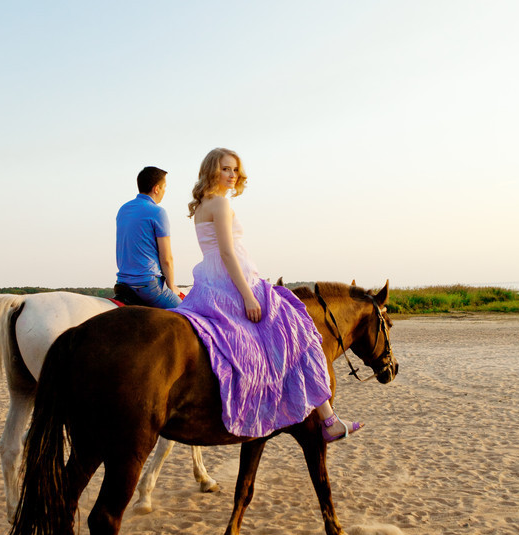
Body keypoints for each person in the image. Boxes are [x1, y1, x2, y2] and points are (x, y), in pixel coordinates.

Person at [177, 147, 363, 441]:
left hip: (211, 279)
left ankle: (328, 418)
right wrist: (248, 296)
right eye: (226, 168)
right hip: (232, 279)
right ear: (212, 169)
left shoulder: (202, 205)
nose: (232, 175)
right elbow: (227, 252)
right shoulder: (220, 205)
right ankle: (328, 419)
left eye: (235, 170)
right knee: (298, 329)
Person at [115, 166, 182, 309]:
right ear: (156, 189)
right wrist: (171, 287)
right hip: (148, 285)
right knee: (188, 314)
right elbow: (167, 259)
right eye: (164, 187)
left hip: (123, 283)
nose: (165, 191)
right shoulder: (157, 212)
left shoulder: (123, 209)